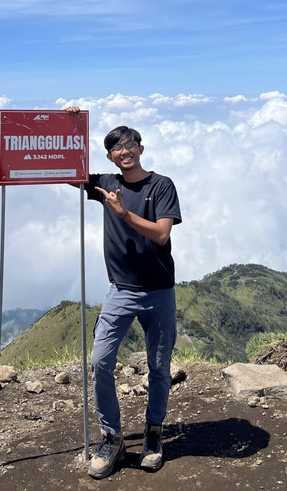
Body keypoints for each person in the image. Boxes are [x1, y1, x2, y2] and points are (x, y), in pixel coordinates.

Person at [66, 107, 182, 479]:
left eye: (130, 144)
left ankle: (153, 433)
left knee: (160, 367)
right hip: (121, 291)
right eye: (117, 148)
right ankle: (112, 437)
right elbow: (67, 170)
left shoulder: (161, 185)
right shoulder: (105, 184)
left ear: (141, 148)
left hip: (159, 291)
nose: (125, 151)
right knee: (100, 359)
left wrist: (123, 215)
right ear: (110, 156)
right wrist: (70, 125)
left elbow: (162, 234)